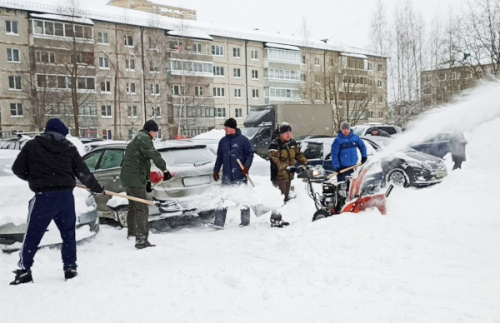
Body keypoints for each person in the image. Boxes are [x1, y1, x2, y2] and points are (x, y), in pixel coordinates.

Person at [10, 118, 105, 285]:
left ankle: (25, 270)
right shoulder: (68, 147)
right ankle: (70, 267)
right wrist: (96, 188)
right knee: (68, 234)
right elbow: (83, 172)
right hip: (65, 197)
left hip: (43, 197)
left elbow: (17, 169)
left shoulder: (32, 146)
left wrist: (35, 178)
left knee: (32, 235)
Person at [120, 120, 172, 249]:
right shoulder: (144, 138)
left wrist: (148, 182)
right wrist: (165, 170)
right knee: (142, 207)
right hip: (134, 178)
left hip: (129, 178)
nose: (156, 134)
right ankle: (141, 240)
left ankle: (132, 234)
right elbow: (153, 155)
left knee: (133, 206)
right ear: (151, 131)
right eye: (156, 131)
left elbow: (144, 163)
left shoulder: (139, 138)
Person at [212, 118, 254, 229]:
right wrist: (216, 170)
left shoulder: (243, 140)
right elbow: (219, 157)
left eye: (227, 127)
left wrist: (246, 166)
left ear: (232, 128)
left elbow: (250, 154)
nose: (225, 129)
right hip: (227, 175)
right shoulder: (223, 141)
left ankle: (245, 222)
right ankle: (219, 223)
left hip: (240, 174)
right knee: (222, 197)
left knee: (242, 198)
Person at [268, 122, 308, 227]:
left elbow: (298, 154)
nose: (289, 135)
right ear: (281, 134)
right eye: (286, 133)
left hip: (289, 175)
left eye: (290, 133)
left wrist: (305, 163)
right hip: (278, 176)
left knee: (285, 198)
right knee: (278, 198)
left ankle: (279, 218)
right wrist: (286, 167)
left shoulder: (292, 143)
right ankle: (275, 220)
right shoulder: (275, 144)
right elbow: (275, 160)